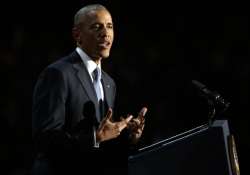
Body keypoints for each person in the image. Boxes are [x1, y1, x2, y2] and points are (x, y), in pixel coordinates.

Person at [32, 4, 147, 175]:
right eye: (96, 27)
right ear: (77, 35)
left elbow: (101, 144)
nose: (105, 33)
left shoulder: (109, 83)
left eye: (110, 26)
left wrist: (127, 137)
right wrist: (95, 137)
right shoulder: (58, 73)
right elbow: (45, 138)